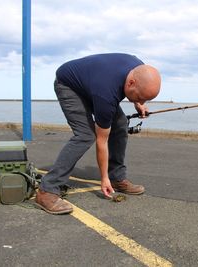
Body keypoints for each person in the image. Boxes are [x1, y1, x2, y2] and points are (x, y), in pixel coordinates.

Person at [35, 53, 161, 215]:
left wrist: (138, 104)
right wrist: (103, 179)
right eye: (140, 98)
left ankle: (117, 177)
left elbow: (138, 87)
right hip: (69, 85)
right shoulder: (106, 93)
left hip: (92, 84)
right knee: (85, 135)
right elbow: (102, 141)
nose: (142, 102)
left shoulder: (139, 69)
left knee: (121, 124)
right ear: (131, 83)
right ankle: (47, 190)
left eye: (146, 100)